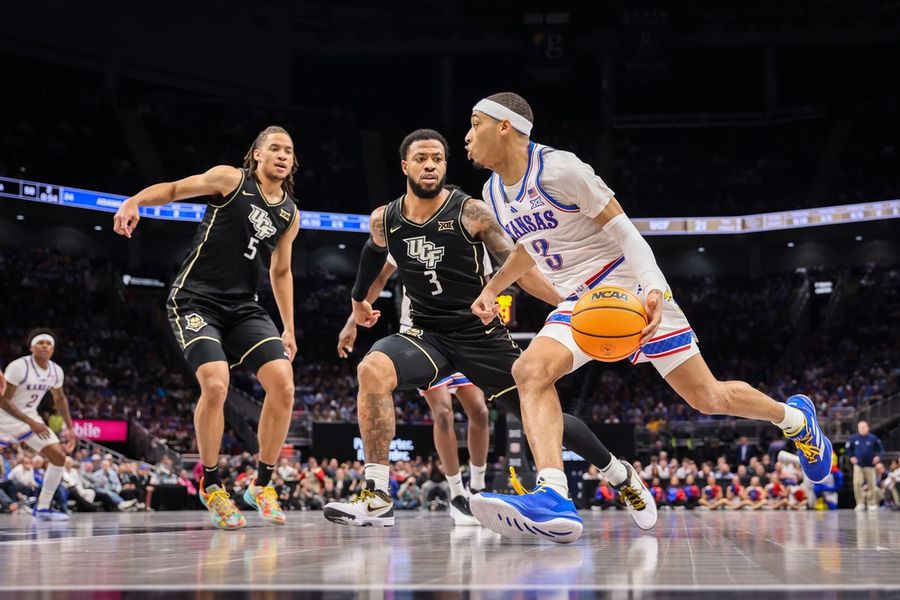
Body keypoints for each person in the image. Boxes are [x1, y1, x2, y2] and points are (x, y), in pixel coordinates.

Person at [465, 92, 834, 543]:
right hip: (581, 301)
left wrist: (654, 288)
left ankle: (794, 420)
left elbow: (625, 230)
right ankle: (554, 495)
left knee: (708, 397)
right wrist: (491, 288)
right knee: (530, 370)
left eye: (474, 123)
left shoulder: (561, 169)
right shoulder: (491, 193)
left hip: (627, 288)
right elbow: (530, 247)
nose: (466, 136)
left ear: (505, 126)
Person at [323, 129, 655, 532]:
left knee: (546, 419)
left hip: (480, 336)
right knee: (371, 369)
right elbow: (373, 254)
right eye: (422, 158)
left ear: (445, 166)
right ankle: (376, 495)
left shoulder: (472, 213)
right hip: (425, 334)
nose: (431, 165)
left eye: (438, 159)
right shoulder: (385, 218)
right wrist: (358, 302)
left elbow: (519, 265)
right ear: (405, 165)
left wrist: (567, 303)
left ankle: (619, 473)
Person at [113, 125, 300, 530]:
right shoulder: (231, 179)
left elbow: (281, 271)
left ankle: (262, 484)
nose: (282, 155)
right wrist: (135, 201)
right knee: (216, 384)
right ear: (257, 155)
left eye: (288, 150)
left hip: (244, 307)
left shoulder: (289, 212)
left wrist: (289, 326)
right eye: (274, 149)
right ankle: (212, 485)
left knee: (283, 384)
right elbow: (178, 188)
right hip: (195, 299)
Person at [337, 255, 490, 525]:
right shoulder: (407, 225)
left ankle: (477, 487)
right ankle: (457, 494)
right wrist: (352, 321)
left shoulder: (470, 225)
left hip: (463, 330)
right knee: (442, 413)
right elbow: (381, 276)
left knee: (479, 410)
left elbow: (487, 283)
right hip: (420, 333)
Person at [0, 329, 76, 520]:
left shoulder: (55, 371)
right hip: (4, 416)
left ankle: (42, 508)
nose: (44, 346)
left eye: (48, 343)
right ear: (32, 347)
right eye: (40, 343)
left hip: (29, 418)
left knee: (58, 456)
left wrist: (70, 428)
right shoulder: (19, 367)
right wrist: (30, 422)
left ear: (53, 348)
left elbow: (60, 399)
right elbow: (3, 400)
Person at [846, 420, 884, 511]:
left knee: (872, 484)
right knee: (857, 482)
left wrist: (878, 457)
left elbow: (881, 449)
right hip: (858, 465)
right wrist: (851, 457)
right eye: (860, 427)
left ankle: (871, 503)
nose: (862, 429)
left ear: (867, 428)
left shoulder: (873, 438)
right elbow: (848, 449)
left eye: (864, 427)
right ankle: (860, 503)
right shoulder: (853, 438)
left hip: (870, 465)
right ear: (858, 428)